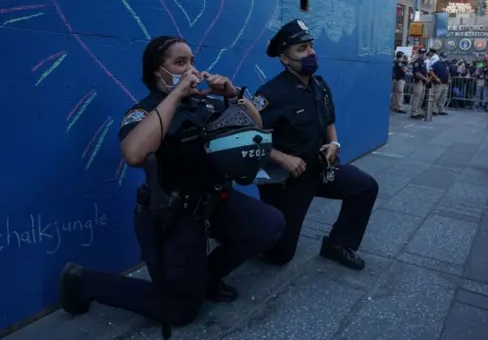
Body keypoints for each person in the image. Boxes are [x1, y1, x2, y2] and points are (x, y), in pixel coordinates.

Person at [57, 36, 285, 326]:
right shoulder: (145, 111)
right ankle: (82, 281)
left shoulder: (204, 104)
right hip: (172, 214)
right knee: (179, 311)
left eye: (191, 61)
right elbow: (134, 153)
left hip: (213, 200)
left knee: (268, 225)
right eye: (180, 62)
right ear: (157, 71)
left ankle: (205, 279)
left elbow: (256, 125)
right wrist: (175, 95)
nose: (191, 69)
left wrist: (233, 94)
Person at [252, 19, 379, 270]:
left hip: (319, 170)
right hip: (288, 181)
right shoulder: (269, 95)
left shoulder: (320, 85)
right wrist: (282, 158)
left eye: (310, 46)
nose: (310, 53)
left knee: (365, 187)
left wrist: (334, 143)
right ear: (285, 59)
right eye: (301, 49)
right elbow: (248, 139)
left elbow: (328, 121)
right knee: (280, 256)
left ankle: (338, 244)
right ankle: (248, 229)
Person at [426, 48, 449, 115]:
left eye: (445, 57)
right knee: (436, 97)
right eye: (443, 57)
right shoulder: (436, 63)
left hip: (445, 83)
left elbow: (447, 71)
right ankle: (433, 109)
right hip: (438, 83)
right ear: (440, 56)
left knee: (443, 98)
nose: (444, 58)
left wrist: (449, 77)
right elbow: (431, 71)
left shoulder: (445, 64)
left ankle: (441, 109)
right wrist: (436, 78)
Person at [410, 48, 429, 119]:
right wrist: (425, 79)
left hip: (423, 82)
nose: (423, 54)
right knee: (417, 97)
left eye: (424, 53)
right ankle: (414, 112)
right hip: (418, 82)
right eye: (422, 53)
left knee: (421, 98)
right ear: (419, 54)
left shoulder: (423, 62)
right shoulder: (417, 62)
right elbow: (417, 73)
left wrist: (426, 79)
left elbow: (424, 72)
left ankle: (417, 111)